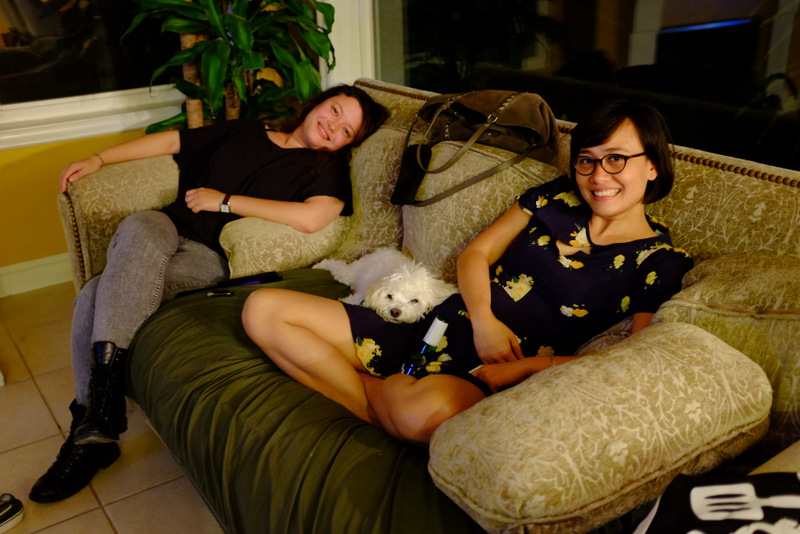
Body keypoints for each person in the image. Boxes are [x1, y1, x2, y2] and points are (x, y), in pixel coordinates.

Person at [241, 99, 693, 447]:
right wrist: (483, 320)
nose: (598, 176)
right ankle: (379, 404)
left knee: (424, 416)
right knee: (262, 309)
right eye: (587, 159)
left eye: (616, 159)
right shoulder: (556, 197)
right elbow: (475, 254)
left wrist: (530, 366)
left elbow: (631, 362)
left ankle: (370, 393)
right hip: (432, 322)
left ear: (653, 164)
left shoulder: (660, 261)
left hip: (490, 370)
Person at [29, 85, 389, 503]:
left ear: (347, 144)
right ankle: (100, 415)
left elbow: (312, 218)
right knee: (141, 224)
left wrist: (226, 202)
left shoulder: (324, 170)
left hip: (208, 258)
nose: (333, 127)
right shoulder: (245, 130)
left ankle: (90, 429)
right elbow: (172, 142)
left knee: (96, 290)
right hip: (164, 228)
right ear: (318, 103)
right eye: (335, 111)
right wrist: (98, 158)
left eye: (346, 131)